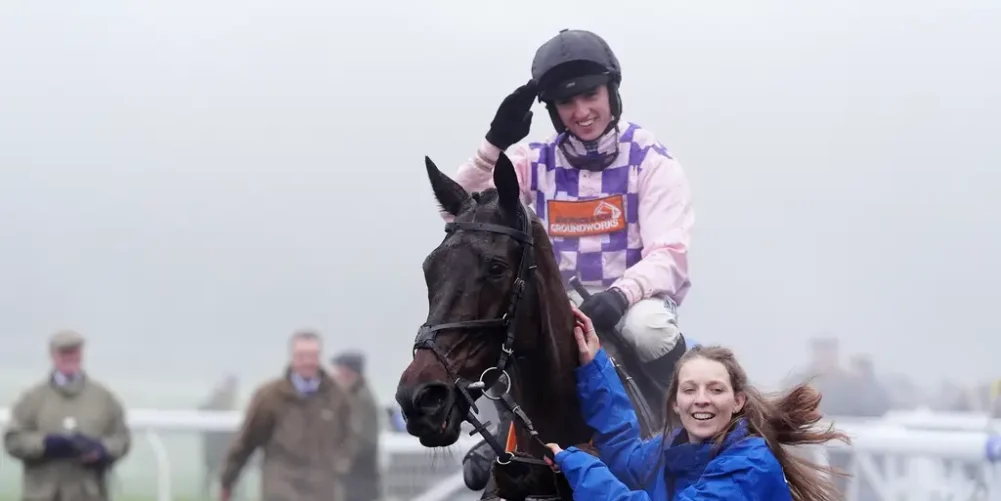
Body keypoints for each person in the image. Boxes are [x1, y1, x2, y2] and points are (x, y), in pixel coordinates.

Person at [455, 28, 694, 490]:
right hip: (556, 304)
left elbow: (671, 254)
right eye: (568, 103)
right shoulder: (532, 160)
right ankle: (503, 428)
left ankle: (688, 432)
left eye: (591, 96)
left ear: (611, 92)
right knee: (505, 325)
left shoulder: (652, 159)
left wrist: (620, 295)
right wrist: (491, 147)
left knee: (650, 331)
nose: (582, 113)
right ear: (552, 109)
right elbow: (461, 212)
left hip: (632, 303)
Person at [542, 305, 848, 501]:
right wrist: (595, 366)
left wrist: (578, 466)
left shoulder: (749, 465)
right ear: (675, 402)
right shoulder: (669, 448)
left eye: (715, 390)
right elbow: (623, 457)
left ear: (738, 401)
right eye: (690, 390)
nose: (701, 400)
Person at [218, 329, 359, 501]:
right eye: (302, 355)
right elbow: (246, 442)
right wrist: (227, 481)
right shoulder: (270, 397)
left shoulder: (337, 398)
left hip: (321, 491)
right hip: (281, 489)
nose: (307, 362)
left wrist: (339, 467)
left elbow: (349, 439)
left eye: (312, 355)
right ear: (292, 357)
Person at [3, 329, 132, 501]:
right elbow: (12, 440)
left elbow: (122, 439)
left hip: (89, 494)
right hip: (42, 494)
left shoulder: (104, 399)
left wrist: (101, 449)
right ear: (53, 356)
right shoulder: (32, 399)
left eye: (74, 352)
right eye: (64, 353)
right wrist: (45, 445)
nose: (70, 358)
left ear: (81, 354)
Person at [330, 351, 382, 501]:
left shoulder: (361, 400)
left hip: (359, 481)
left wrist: (337, 462)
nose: (336, 377)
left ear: (349, 373)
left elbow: (360, 440)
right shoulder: (353, 396)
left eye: (339, 372)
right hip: (356, 481)